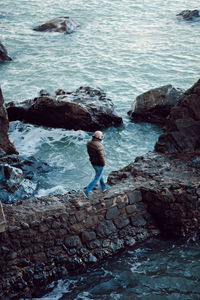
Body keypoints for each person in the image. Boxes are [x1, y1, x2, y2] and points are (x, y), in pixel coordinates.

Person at [84, 131, 109, 199]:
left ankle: (103, 187)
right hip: (99, 163)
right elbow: (101, 156)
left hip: (93, 162)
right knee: (97, 177)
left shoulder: (89, 142)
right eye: (101, 136)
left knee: (99, 174)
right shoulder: (99, 145)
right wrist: (103, 164)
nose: (102, 137)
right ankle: (87, 191)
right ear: (98, 137)